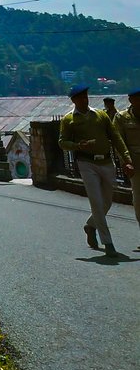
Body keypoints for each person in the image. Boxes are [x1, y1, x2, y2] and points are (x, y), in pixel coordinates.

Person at [59, 84, 133, 256]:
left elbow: (115, 137)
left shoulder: (100, 115)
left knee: (107, 201)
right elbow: (62, 142)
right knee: (96, 202)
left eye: (86, 96)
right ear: (74, 100)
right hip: (86, 163)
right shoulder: (69, 119)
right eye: (80, 97)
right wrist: (77, 146)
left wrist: (127, 159)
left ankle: (91, 225)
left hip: (106, 161)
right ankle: (108, 243)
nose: (84, 99)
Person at [113, 88, 140, 250]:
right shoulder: (122, 118)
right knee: (138, 201)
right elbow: (118, 142)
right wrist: (126, 162)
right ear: (131, 100)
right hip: (135, 164)